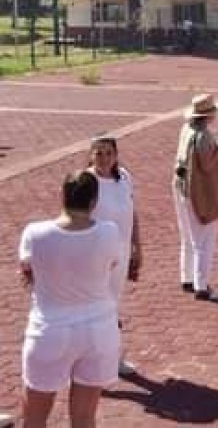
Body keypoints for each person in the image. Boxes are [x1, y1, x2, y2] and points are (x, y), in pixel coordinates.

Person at [19, 171, 122, 427]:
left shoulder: (35, 233)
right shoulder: (109, 232)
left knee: (34, 417)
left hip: (50, 330)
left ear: (62, 196)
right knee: (85, 417)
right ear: (94, 201)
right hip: (99, 331)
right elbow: (110, 266)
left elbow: (27, 271)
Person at [87, 136, 141, 377]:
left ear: (116, 155)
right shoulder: (87, 182)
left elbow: (133, 213)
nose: (104, 158)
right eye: (99, 153)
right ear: (91, 155)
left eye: (109, 153)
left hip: (121, 254)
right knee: (97, 310)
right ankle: (92, 363)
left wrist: (137, 245)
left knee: (113, 306)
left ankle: (111, 358)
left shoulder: (124, 177)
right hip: (95, 257)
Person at [173, 94, 218, 301]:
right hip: (198, 190)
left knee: (187, 235)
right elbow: (207, 166)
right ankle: (202, 285)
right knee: (204, 239)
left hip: (181, 186)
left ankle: (187, 277)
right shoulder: (204, 135)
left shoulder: (186, 130)